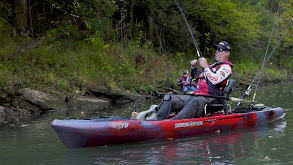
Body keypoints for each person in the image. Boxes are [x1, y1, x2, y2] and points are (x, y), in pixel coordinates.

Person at [157, 41, 233, 120]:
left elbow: (215, 80)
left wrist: (206, 66)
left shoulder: (226, 67)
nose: (217, 51)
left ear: (227, 53)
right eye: (216, 49)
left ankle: (172, 122)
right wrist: (194, 68)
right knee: (169, 98)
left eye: (220, 49)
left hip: (211, 100)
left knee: (196, 100)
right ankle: (156, 120)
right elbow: (196, 79)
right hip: (198, 96)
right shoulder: (212, 67)